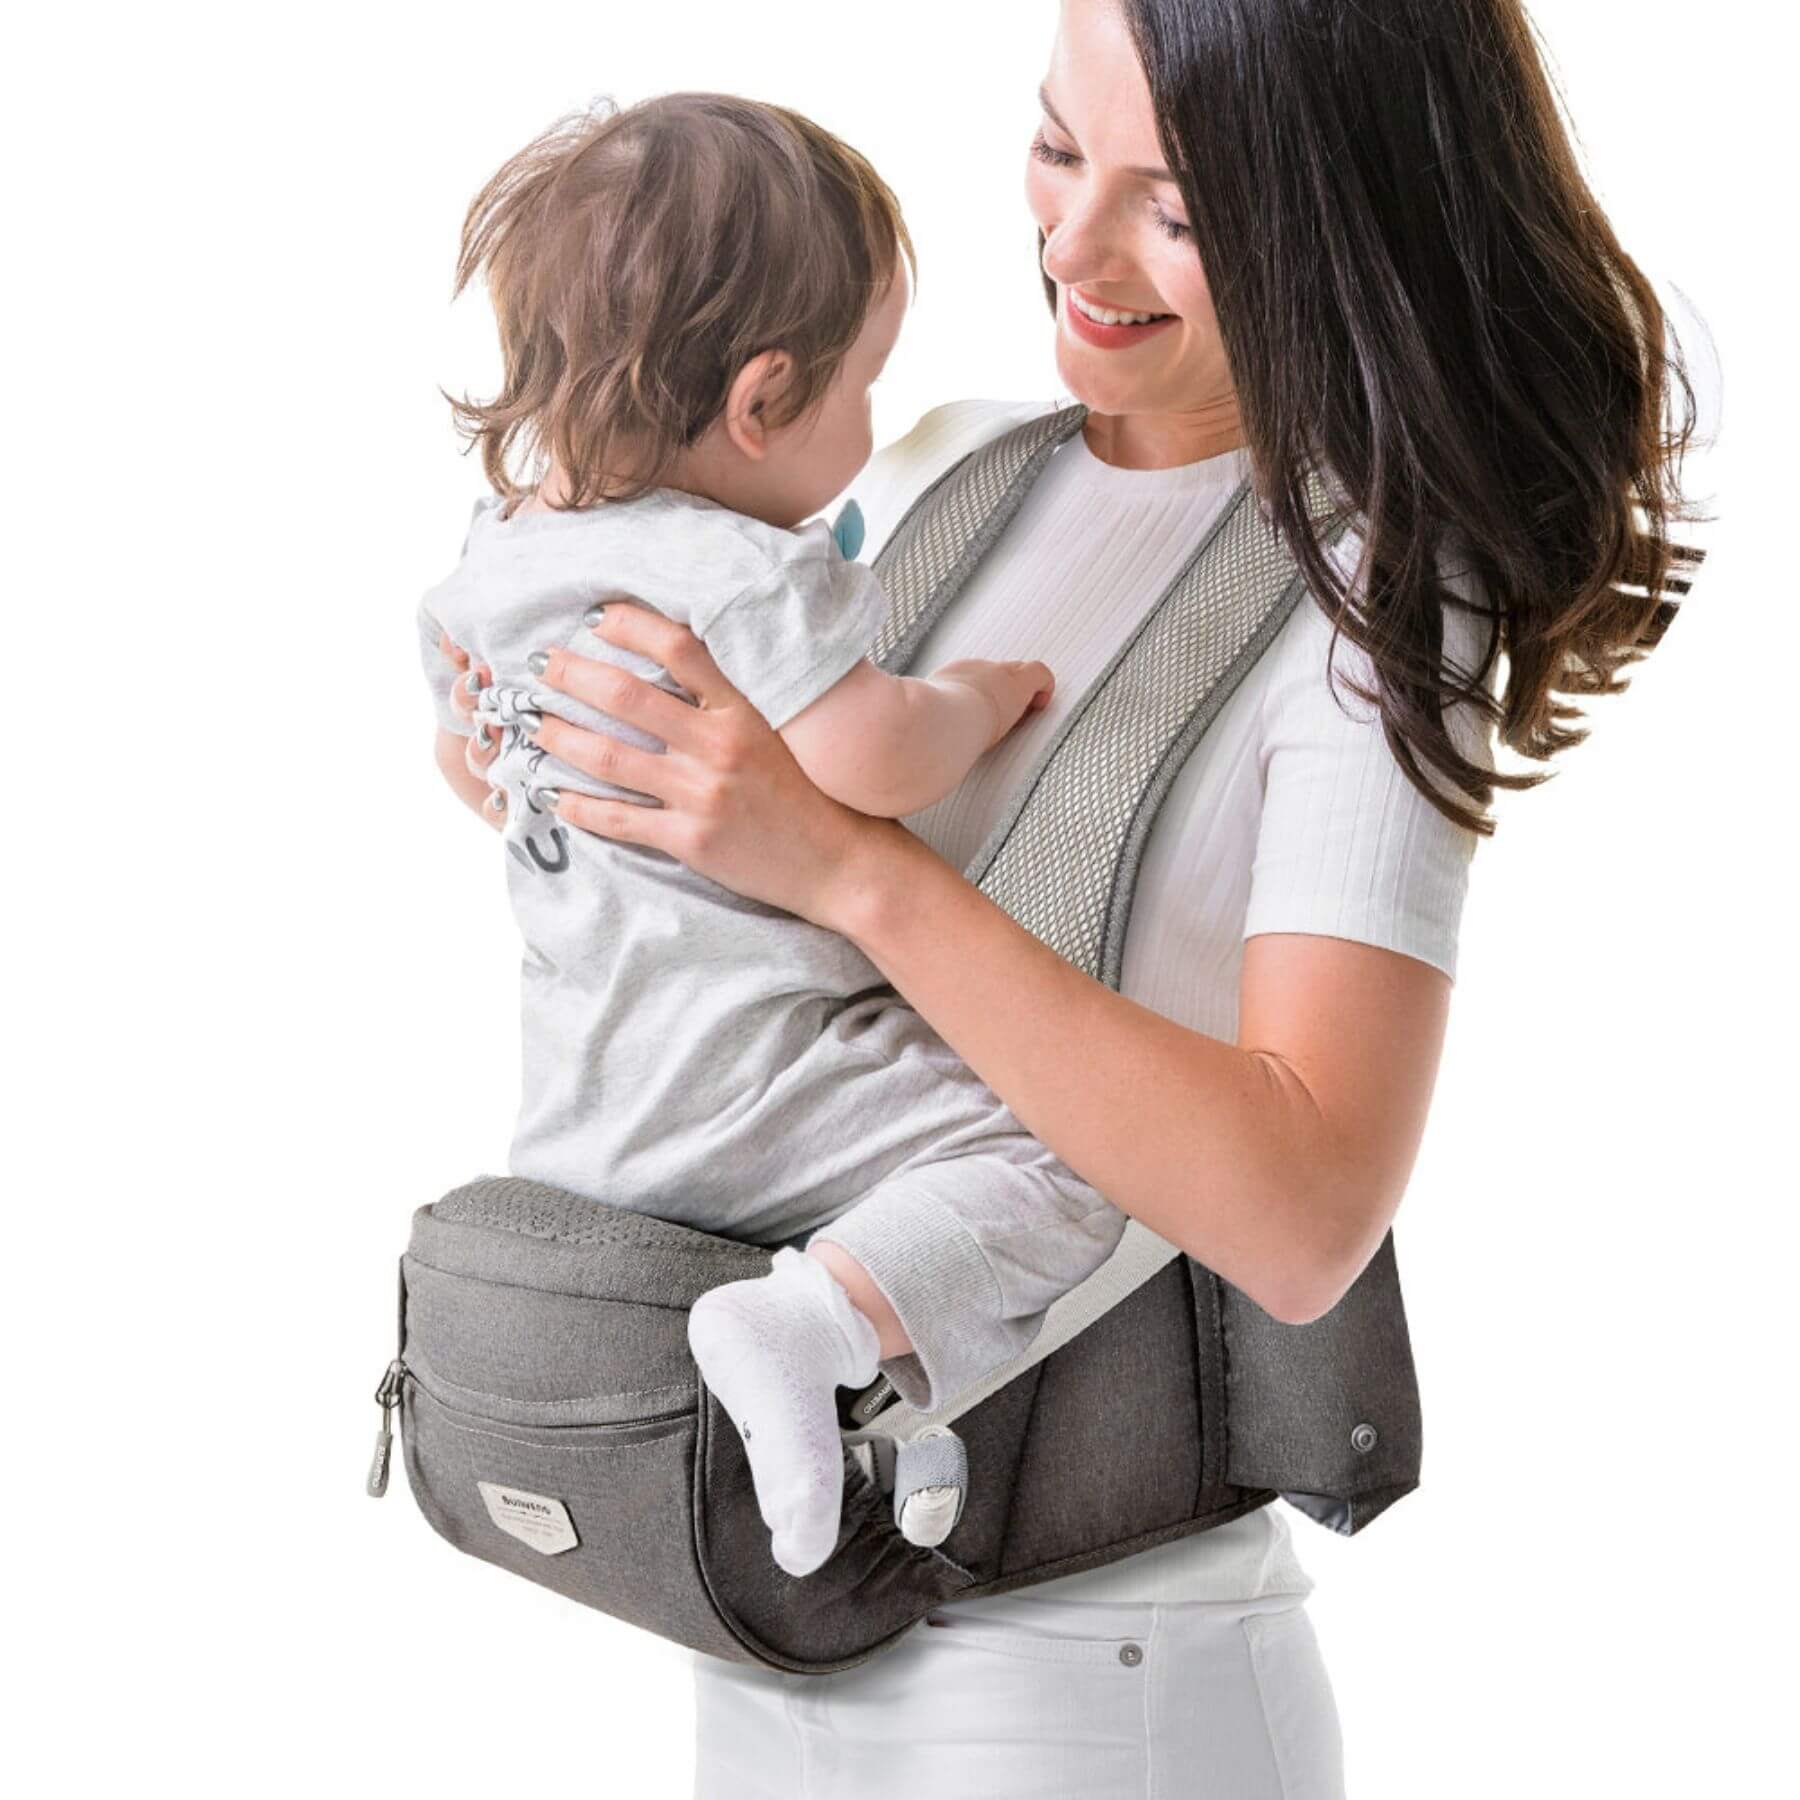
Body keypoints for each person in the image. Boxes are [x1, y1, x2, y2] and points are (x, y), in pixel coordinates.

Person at [436, 2, 1703, 1792]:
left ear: (1328, 215)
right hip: (762, 1609)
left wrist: (848, 869)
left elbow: (1305, 1204)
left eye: (1174, 211)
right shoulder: (932, 465)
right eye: (1053, 150)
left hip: (1088, 1677)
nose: (1072, 251)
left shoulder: (1375, 603)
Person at [420, 92, 1143, 1582]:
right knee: (1080, 1158)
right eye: (864, 385)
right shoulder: (737, 569)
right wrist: (977, 694)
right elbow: (867, 760)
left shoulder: (503, 559)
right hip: (765, 1081)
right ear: (760, 403)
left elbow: (470, 758)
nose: (879, 422)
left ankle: (842, 1384)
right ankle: (811, 1323)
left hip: (588, 1110)